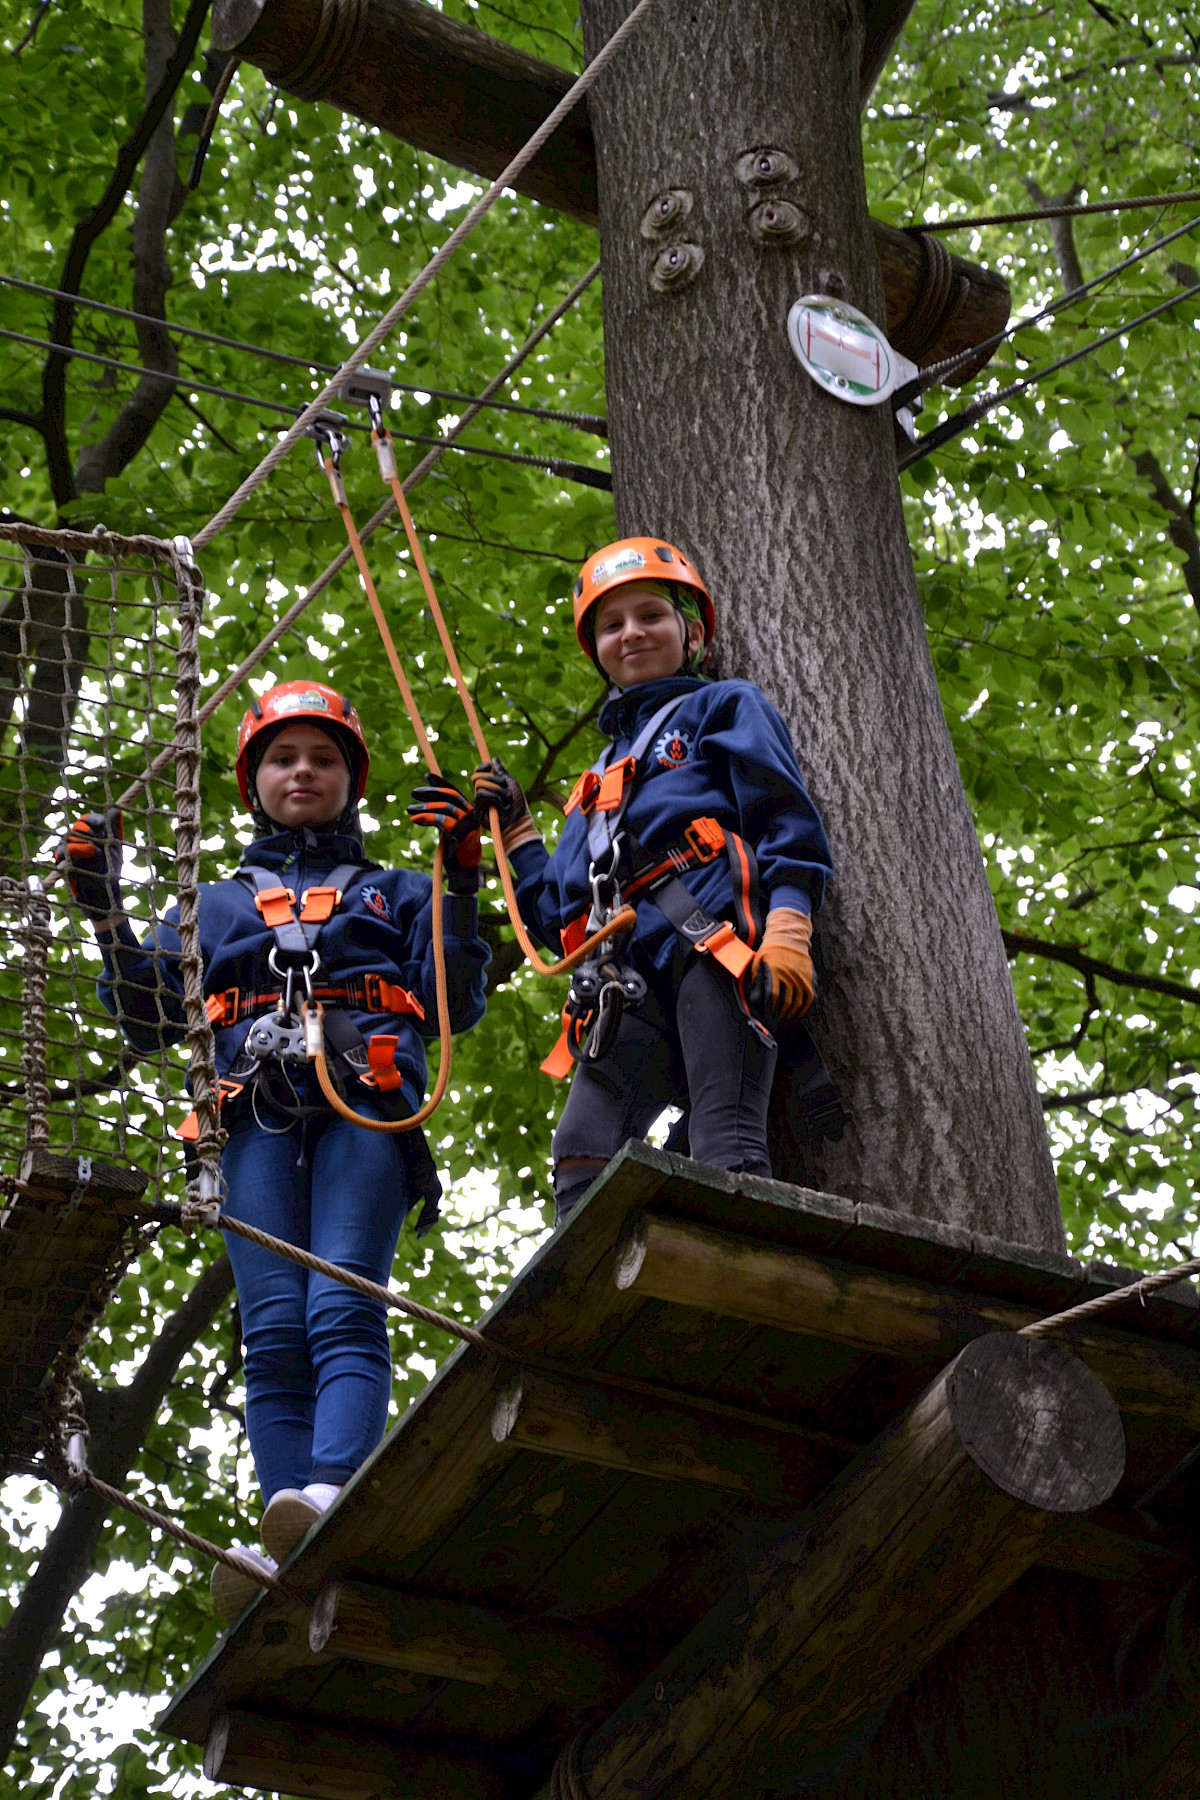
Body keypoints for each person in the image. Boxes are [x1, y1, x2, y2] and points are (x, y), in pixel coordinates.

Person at [57, 680, 490, 1621]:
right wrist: (104, 911)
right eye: (284, 759)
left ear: (351, 780)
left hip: (363, 1095)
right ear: (254, 782)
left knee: (340, 1296)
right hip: (249, 1109)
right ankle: (283, 1520)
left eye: (323, 758)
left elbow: (460, 994)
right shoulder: (211, 905)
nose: (304, 772)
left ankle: (332, 1485)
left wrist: (459, 877)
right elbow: (143, 1014)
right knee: (272, 1329)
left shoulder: (397, 891)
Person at [468, 536, 837, 1224]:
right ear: (598, 651)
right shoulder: (594, 786)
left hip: (711, 942)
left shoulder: (722, 708)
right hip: (623, 974)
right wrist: (517, 832)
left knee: (723, 1144)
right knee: (581, 1155)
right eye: (612, 625)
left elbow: (783, 818)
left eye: (650, 616)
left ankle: (744, 1297)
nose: (631, 633)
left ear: (691, 633)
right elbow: (553, 915)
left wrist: (790, 927)